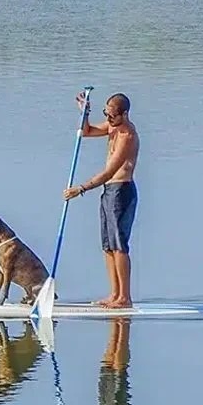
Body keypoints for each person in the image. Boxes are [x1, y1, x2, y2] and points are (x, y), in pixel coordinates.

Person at [63, 91, 140, 309]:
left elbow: (109, 172)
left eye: (112, 116)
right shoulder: (112, 126)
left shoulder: (128, 136)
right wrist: (85, 113)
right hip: (108, 192)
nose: (108, 120)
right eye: (106, 114)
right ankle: (114, 294)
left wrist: (81, 188)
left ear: (124, 114)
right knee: (107, 246)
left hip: (122, 191)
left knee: (119, 245)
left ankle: (125, 298)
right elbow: (85, 132)